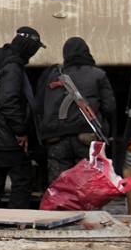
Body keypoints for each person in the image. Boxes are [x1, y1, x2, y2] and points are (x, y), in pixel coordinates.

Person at [0, 26, 45, 209]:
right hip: (8, 137)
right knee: (22, 181)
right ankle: (16, 220)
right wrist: (21, 130)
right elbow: (8, 101)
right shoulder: (13, 66)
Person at [35, 37, 116, 185]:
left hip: (56, 137)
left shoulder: (50, 75)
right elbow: (109, 106)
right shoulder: (97, 74)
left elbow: (39, 106)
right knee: (87, 184)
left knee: (60, 185)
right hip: (86, 135)